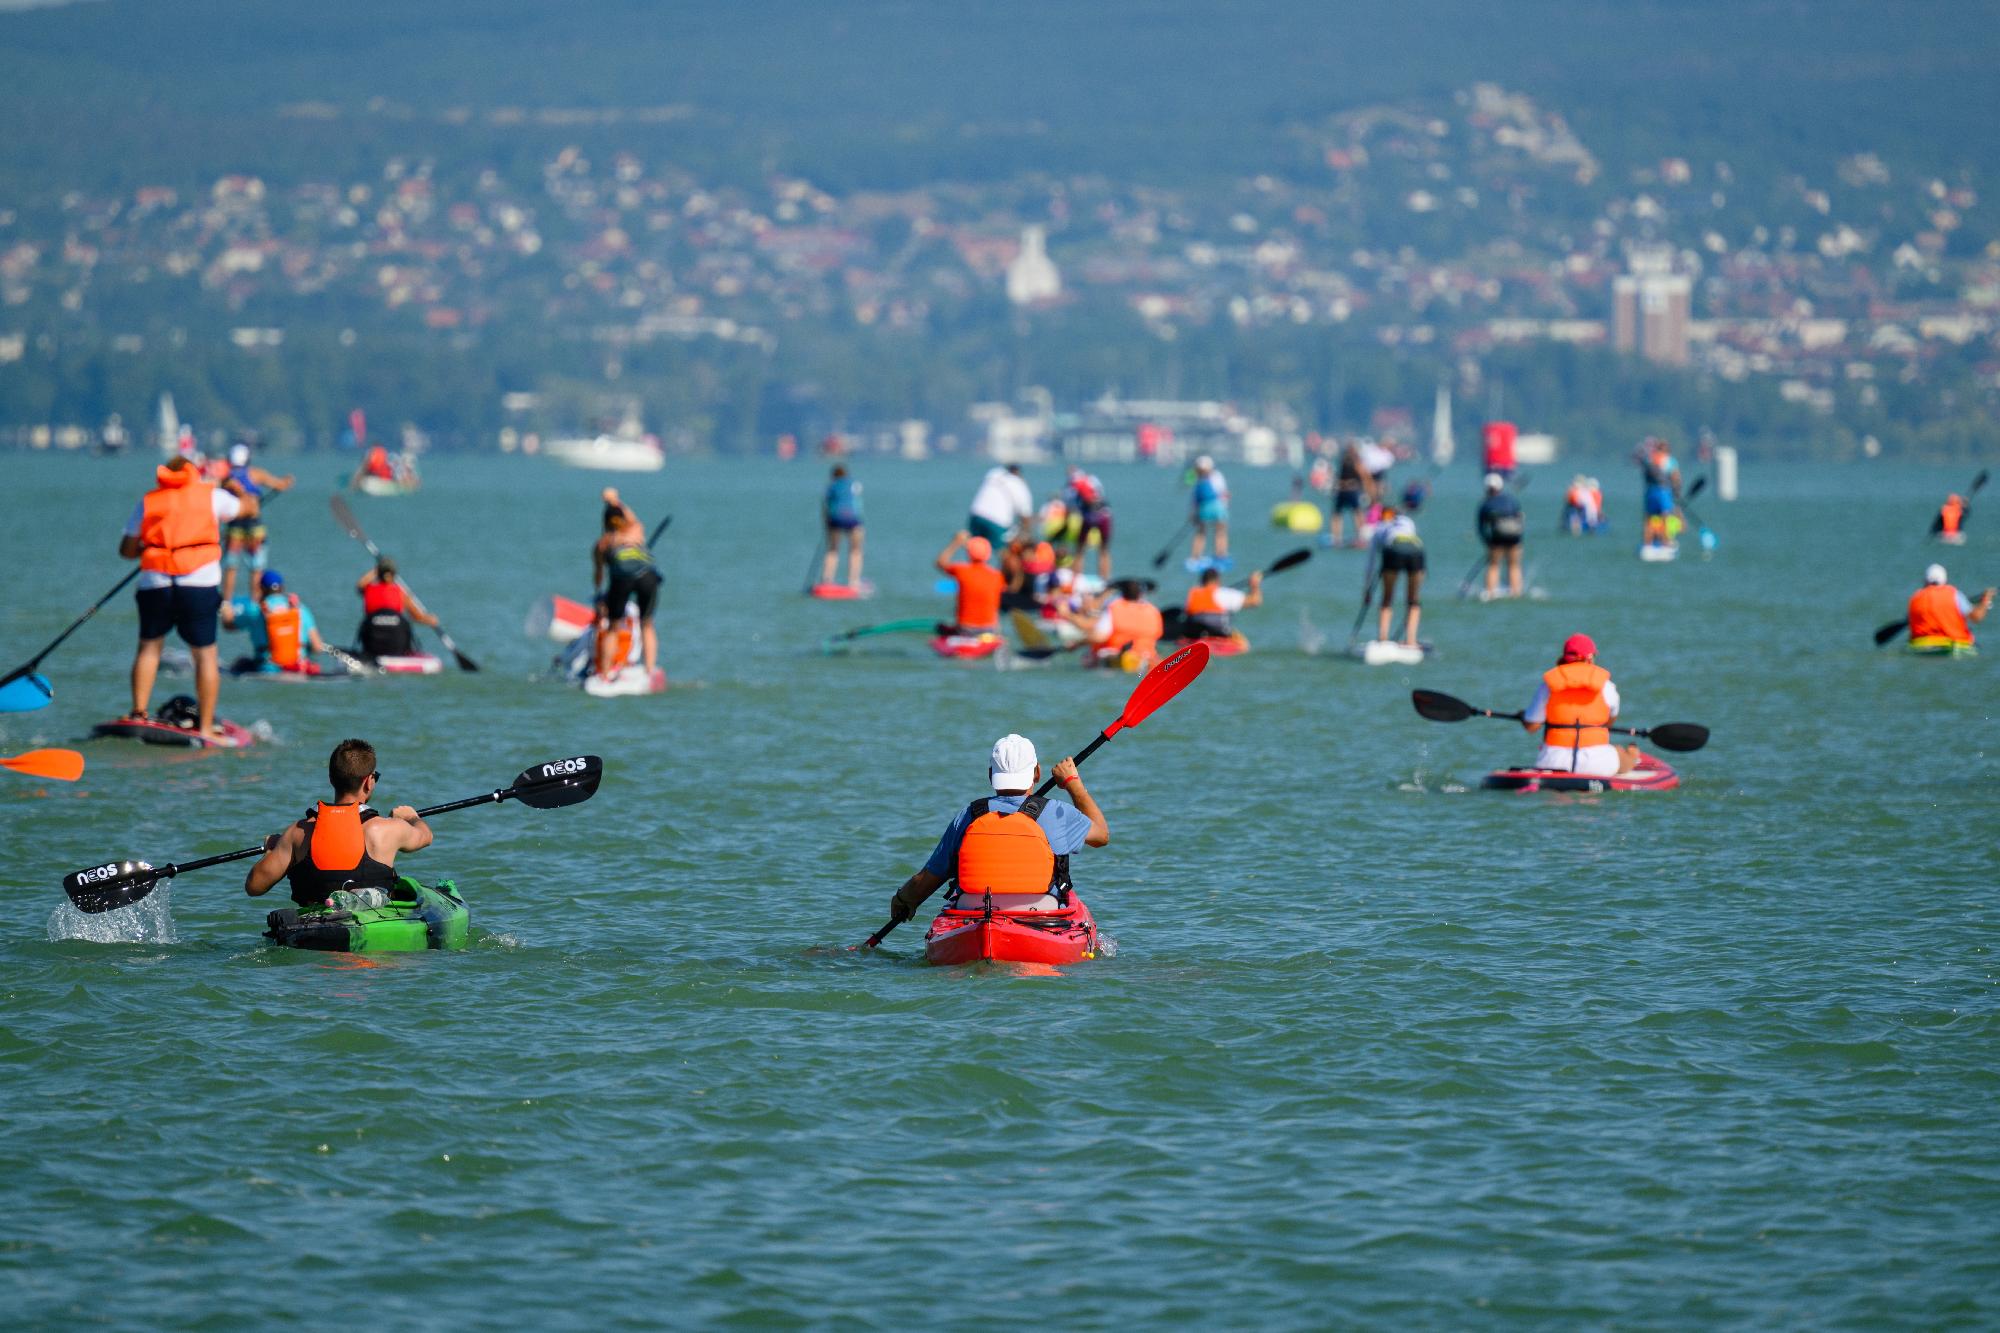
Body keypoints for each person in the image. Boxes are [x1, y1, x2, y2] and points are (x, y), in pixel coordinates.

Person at [884, 733, 1108, 928]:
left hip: (972, 914)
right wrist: (1072, 782)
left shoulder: (969, 815)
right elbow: (1101, 836)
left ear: (991, 774)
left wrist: (904, 899)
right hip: (1039, 914)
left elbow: (926, 879)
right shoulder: (1056, 813)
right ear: (1037, 773)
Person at [118, 455, 258, 740]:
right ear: (193, 473)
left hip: (155, 582)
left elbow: (127, 550)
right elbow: (248, 507)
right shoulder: (211, 496)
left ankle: (138, 712)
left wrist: (153, 544)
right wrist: (239, 490)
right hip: (198, 583)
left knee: (149, 648)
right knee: (205, 655)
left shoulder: (150, 501)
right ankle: (205, 728)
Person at [244, 738, 433, 908]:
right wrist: (411, 817)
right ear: (369, 781)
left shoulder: (298, 833)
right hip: (370, 933)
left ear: (331, 779)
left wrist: (272, 849)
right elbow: (426, 837)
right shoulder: (387, 829)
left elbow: (254, 887)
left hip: (315, 931)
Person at [1521, 634, 1640, 776]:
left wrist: (1523, 716)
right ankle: (1633, 754)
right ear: (1590, 657)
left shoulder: (1547, 685)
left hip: (1553, 763)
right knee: (1621, 754)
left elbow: (1532, 726)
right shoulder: (1606, 686)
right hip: (1597, 763)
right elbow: (1609, 722)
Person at [592, 489, 661, 679]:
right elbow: (631, 518)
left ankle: (604, 676)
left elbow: (599, 576)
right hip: (648, 577)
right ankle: (649, 670)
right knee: (646, 623)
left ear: (604, 523)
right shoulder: (635, 532)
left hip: (621, 580)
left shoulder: (602, 545)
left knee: (613, 627)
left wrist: (600, 596)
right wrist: (615, 500)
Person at [218, 441, 295, 603]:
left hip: (234, 526)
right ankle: (255, 601)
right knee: (256, 568)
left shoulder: (226, 479)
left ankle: (226, 602)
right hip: (253, 526)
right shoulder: (255, 474)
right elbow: (280, 485)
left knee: (231, 566)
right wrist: (287, 481)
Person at [222, 569, 331, 674]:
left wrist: (225, 607)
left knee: (242, 662)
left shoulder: (255, 610)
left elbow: (229, 626)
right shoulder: (300, 609)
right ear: (282, 588)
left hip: (267, 669)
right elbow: (317, 646)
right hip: (298, 668)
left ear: (261, 589)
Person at [354, 556, 438, 661]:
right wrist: (431, 620)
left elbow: (360, 584)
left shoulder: (368, 590)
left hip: (372, 646)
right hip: (397, 646)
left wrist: (377, 569)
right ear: (394, 575)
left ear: (378, 574)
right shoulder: (400, 592)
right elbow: (417, 617)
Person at [1075, 578, 1164, 671]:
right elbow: (1158, 635)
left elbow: (1098, 637)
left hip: (1115, 658)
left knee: (1086, 657)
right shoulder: (1153, 611)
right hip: (1146, 658)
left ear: (1122, 594)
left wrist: (1077, 643)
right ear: (1140, 595)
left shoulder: (1114, 608)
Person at [1370, 501, 1424, 647]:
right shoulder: (1408, 521)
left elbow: (1372, 562)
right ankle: (1411, 641)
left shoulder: (1379, 528)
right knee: (1413, 600)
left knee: (1387, 597)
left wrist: (1367, 590)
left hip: (1394, 550)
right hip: (1416, 550)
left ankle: (1383, 639)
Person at [1907, 564, 1994, 648]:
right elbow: (1977, 617)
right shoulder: (1955, 595)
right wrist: (1985, 601)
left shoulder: (1915, 597)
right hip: (1952, 643)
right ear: (1944, 580)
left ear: (1925, 581)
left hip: (1920, 644)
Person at [936, 532, 1005, 636]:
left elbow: (940, 562)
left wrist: (956, 543)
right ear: (988, 555)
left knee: (940, 627)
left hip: (965, 629)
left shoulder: (961, 571)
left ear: (968, 553)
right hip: (989, 630)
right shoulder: (997, 576)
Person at [1179, 568, 1262, 645]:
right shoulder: (1222, 593)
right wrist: (1254, 584)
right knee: (1243, 642)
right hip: (1219, 634)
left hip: (1194, 634)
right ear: (1218, 581)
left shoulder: (1193, 593)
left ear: (1202, 581)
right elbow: (1255, 601)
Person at [1476, 473, 1526, 599]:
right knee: (1514, 565)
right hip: (1515, 536)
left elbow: (1481, 528)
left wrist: (1488, 543)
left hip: (1497, 538)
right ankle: (1516, 592)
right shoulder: (1511, 500)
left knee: (1493, 565)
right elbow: (1520, 518)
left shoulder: (1485, 504)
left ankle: (1490, 592)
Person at [967, 463, 1035, 546]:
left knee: (975, 548)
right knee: (1002, 552)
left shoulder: (994, 473)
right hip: (997, 521)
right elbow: (1026, 518)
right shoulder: (1021, 486)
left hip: (976, 514)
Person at [1064, 466, 1114, 579]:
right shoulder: (1092, 479)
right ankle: (1105, 579)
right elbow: (1101, 495)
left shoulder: (1069, 488)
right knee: (1104, 550)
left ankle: (1076, 579)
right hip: (1104, 515)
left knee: (1080, 550)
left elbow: (1070, 509)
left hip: (1087, 517)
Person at [819, 464, 865, 588]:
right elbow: (858, 504)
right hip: (853, 520)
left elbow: (825, 506)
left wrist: (826, 523)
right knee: (855, 550)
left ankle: (827, 580)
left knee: (833, 549)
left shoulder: (831, 487)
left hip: (835, 519)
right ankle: (853, 581)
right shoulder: (854, 485)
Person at [1328, 440, 1375, 547]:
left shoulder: (1354, 462)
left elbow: (1365, 476)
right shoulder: (1347, 461)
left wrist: (1369, 491)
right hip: (1345, 491)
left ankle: (1359, 538)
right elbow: (1365, 477)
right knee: (1341, 513)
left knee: (1355, 513)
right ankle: (1337, 538)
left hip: (1349, 491)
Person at [1636, 438, 1682, 547]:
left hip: (1650, 492)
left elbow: (1645, 475)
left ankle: (1647, 543)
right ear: (1667, 450)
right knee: (1665, 517)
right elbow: (1676, 477)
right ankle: (1665, 543)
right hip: (1663, 491)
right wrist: (1677, 491)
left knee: (1648, 518)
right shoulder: (1670, 460)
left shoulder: (1649, 459)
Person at [1189, 455, 1231, 564]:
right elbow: (1224, 494)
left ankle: (1195, 557)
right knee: (1220, 531)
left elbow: (1195, 499)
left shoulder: (1198, 479)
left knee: (1201, 532)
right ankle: (1221, 555)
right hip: (1218, 507)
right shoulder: (1217, 476)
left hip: (1203, 508)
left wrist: (1193, 514)